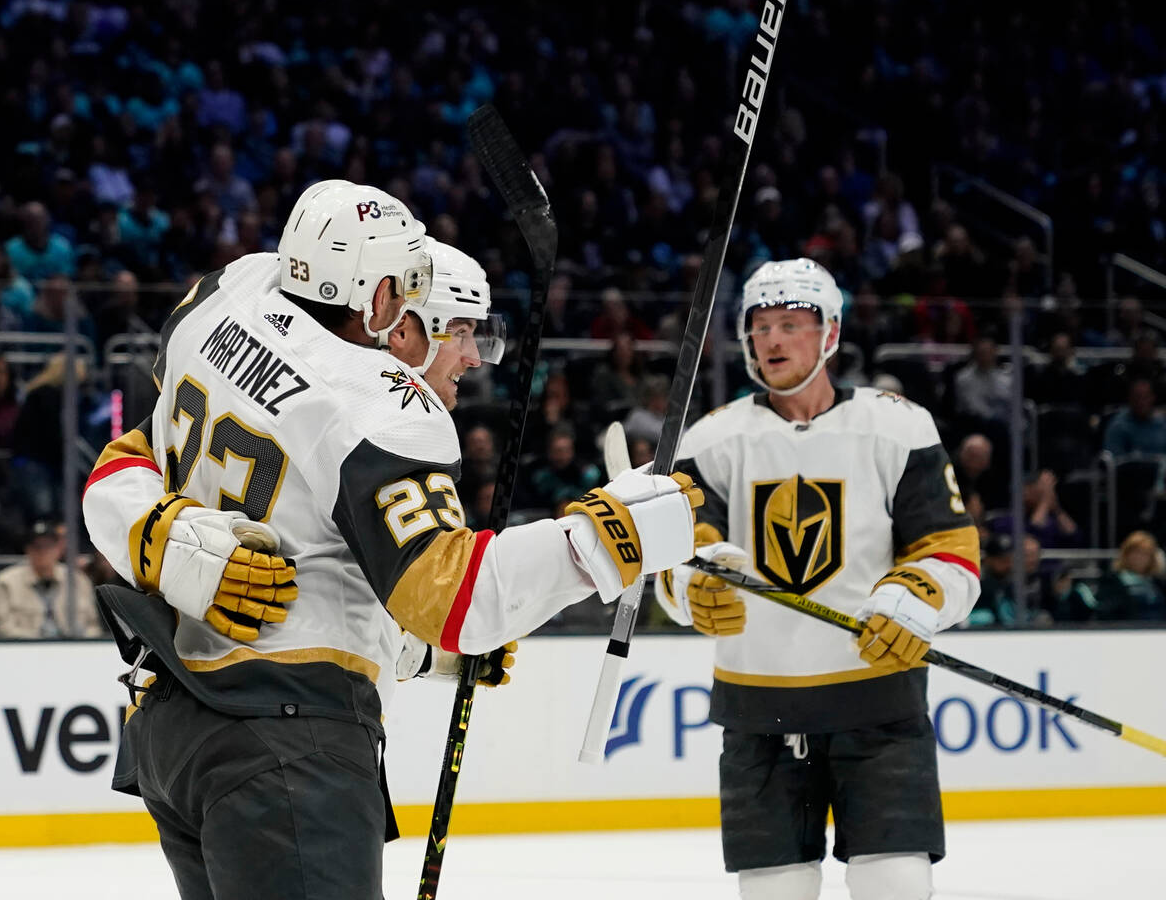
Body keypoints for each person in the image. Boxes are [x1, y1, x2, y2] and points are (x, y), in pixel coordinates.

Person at [81, 180, 702, 900]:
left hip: (172, 725)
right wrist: (605, 535)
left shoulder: (228, 291)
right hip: (283, 744)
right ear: (383, 308)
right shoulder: (377, 404)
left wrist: (414, 645)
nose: (471, 354)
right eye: (416, 299)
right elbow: (460, 599)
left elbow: (137, 458)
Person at [653, 258, 980, 900]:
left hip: (880, 704)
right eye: (761, 325)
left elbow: (950, 547)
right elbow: (683, 552)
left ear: (829, 333)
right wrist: (695, 590)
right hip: (758, 708)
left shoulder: (897, 425)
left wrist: (917, 598)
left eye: (791, 323)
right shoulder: (713, 440)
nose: (772, 340)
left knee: (898, 886)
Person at [0, 519, 100, 638]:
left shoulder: (78, 580)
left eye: (48, 546)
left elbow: (93, 626)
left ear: (58, 548)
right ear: (28, 550)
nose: (43, 552)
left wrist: (81, 639)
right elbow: (4, 629)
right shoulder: (6, 582)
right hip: (25, 651)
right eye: (37, 547)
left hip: (73, 649)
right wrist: (40, 640)